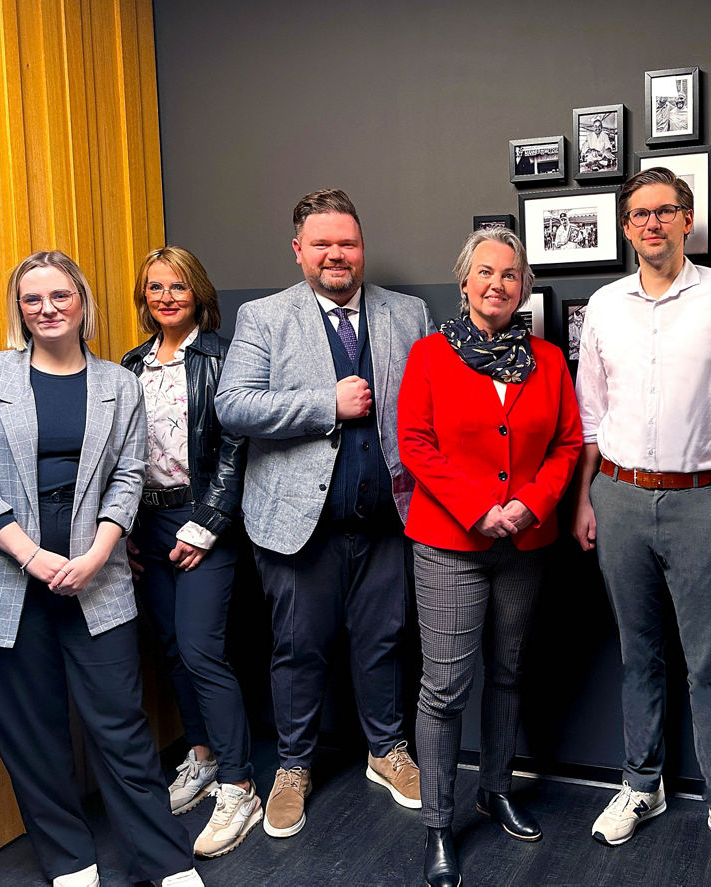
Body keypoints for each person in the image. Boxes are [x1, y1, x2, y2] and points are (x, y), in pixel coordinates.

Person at [0, 251, 202, 887]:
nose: (47, 309)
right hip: (3, 578)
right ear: (20, 311)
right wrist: (31, 555)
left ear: (83, 302)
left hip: (96, 575)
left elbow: (127, 474)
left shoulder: (119, 383)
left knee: (121, 728)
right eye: (33, 300)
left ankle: (166, 863)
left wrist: (95, 554)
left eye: (60, 296)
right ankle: (71, 863)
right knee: (30, 733)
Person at [571, 167, 711, 876]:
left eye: (664, 211)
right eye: (638, 214)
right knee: (639, 655)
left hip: (704, 501)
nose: (651, 223)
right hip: (620, 497)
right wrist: (586, 500)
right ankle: (640, 784)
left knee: (710, 660)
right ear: (625, 227)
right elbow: (590, 418)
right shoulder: (603, 305)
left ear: (688, 219)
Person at [215, 188, 434, 839]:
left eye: (347, 242)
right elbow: (234, 406)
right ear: (298, 250)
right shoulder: (265, 317)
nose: (336, 254)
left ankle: (386, 750)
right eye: (322, 244)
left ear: (361, 247)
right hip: (294, 524)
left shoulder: (408, 311)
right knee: (296, 650)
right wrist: (324, 402)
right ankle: (293, 766)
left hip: (388, 520)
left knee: (385, 642)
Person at [398, 227, 583, 887]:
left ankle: (495, 787)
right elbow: (416, 445)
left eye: (510, 274)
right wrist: (480, 508)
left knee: (507, 672)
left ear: (522, 287)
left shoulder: (550, 361)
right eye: (486, 272)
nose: (497, 284)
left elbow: (567, 443)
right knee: (445, 688)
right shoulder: (428, 355)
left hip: (526, 541)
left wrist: (531, 504)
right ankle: (439, 824)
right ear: (465, 281)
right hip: (452, 541)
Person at [121, 246, 259, 858]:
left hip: (204, 519)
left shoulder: (223, 358)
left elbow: (236, 450)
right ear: (144, 298)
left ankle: (239, 785)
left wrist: (206, 524)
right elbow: (116, 455)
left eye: (178, 286)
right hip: (144, 521)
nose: (167, 296)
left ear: (197, 292)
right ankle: (201, 758)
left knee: (203, 648)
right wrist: (117, 529)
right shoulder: (129, 365)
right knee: (172, 649)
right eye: (155, 287)